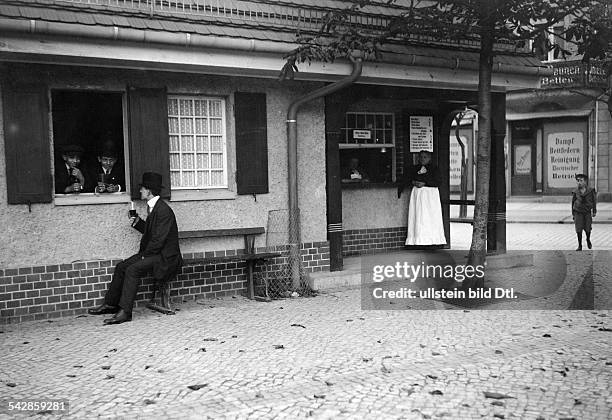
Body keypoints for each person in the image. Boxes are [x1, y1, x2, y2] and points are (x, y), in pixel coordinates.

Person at [88, 172, 183, 324]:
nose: (140, 191)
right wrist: (138, 222)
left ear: (149, 190)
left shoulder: (164, 211)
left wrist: (144, 256)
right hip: (155, 253)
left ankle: (125, 312)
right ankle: (111, 304)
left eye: (142, 189)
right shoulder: (154, 207)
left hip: (166, 258)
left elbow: (159, 240)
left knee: (133, 269)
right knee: (121, 266)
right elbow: (152, 232)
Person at [398, 150, 446, 246]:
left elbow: (438, 181)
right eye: (421, 157)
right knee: (418, 216)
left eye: (425, 157)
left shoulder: (434, 169)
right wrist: (414, 182)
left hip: (430, 196)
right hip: (418, 195)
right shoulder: (415, 168)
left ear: (429, 158)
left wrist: (425, 183)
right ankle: (418, 240)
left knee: (429, 217)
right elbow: (409, 178)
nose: (422, 159)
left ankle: (432, 240)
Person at [572, 174, 597, 251]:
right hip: (578, 212)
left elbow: (594, 201)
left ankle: (588, 239)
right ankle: (580, 245)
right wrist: (573, 213)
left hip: (587, 212)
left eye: (581, 181)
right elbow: (573, 202)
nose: (579, 182)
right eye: (578, 181)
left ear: (585, 182)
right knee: (578, 229)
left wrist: (594, 211)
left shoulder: (590, 190)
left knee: (588, 228)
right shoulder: (575, 191)